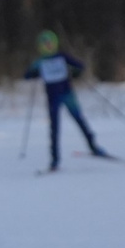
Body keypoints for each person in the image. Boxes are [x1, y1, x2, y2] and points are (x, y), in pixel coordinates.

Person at [24, 29, 106, 170]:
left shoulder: (62, 57)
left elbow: (80, 66)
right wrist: (34, 73)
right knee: (54, 128)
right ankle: (55, 160)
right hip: (53, 98)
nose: (48, 46)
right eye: (45, 44)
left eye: (50, 43)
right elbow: (27, 75)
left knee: (80, 120)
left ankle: (94, 147)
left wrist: (73, 72)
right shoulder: (41, 62)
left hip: (67, 95)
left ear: (54, 44)